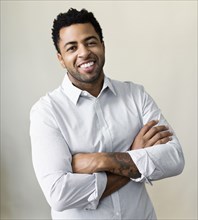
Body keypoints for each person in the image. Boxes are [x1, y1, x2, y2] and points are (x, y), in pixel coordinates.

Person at [30, 8, 185, 219]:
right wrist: (134, 157)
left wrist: (99, 160)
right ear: (61, 58)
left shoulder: (135, 95)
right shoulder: (46, 112)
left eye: (90, 42)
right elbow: (59, 194)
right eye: (72, 47)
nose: (84, 52)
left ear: (102, 45)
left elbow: (174, 158)